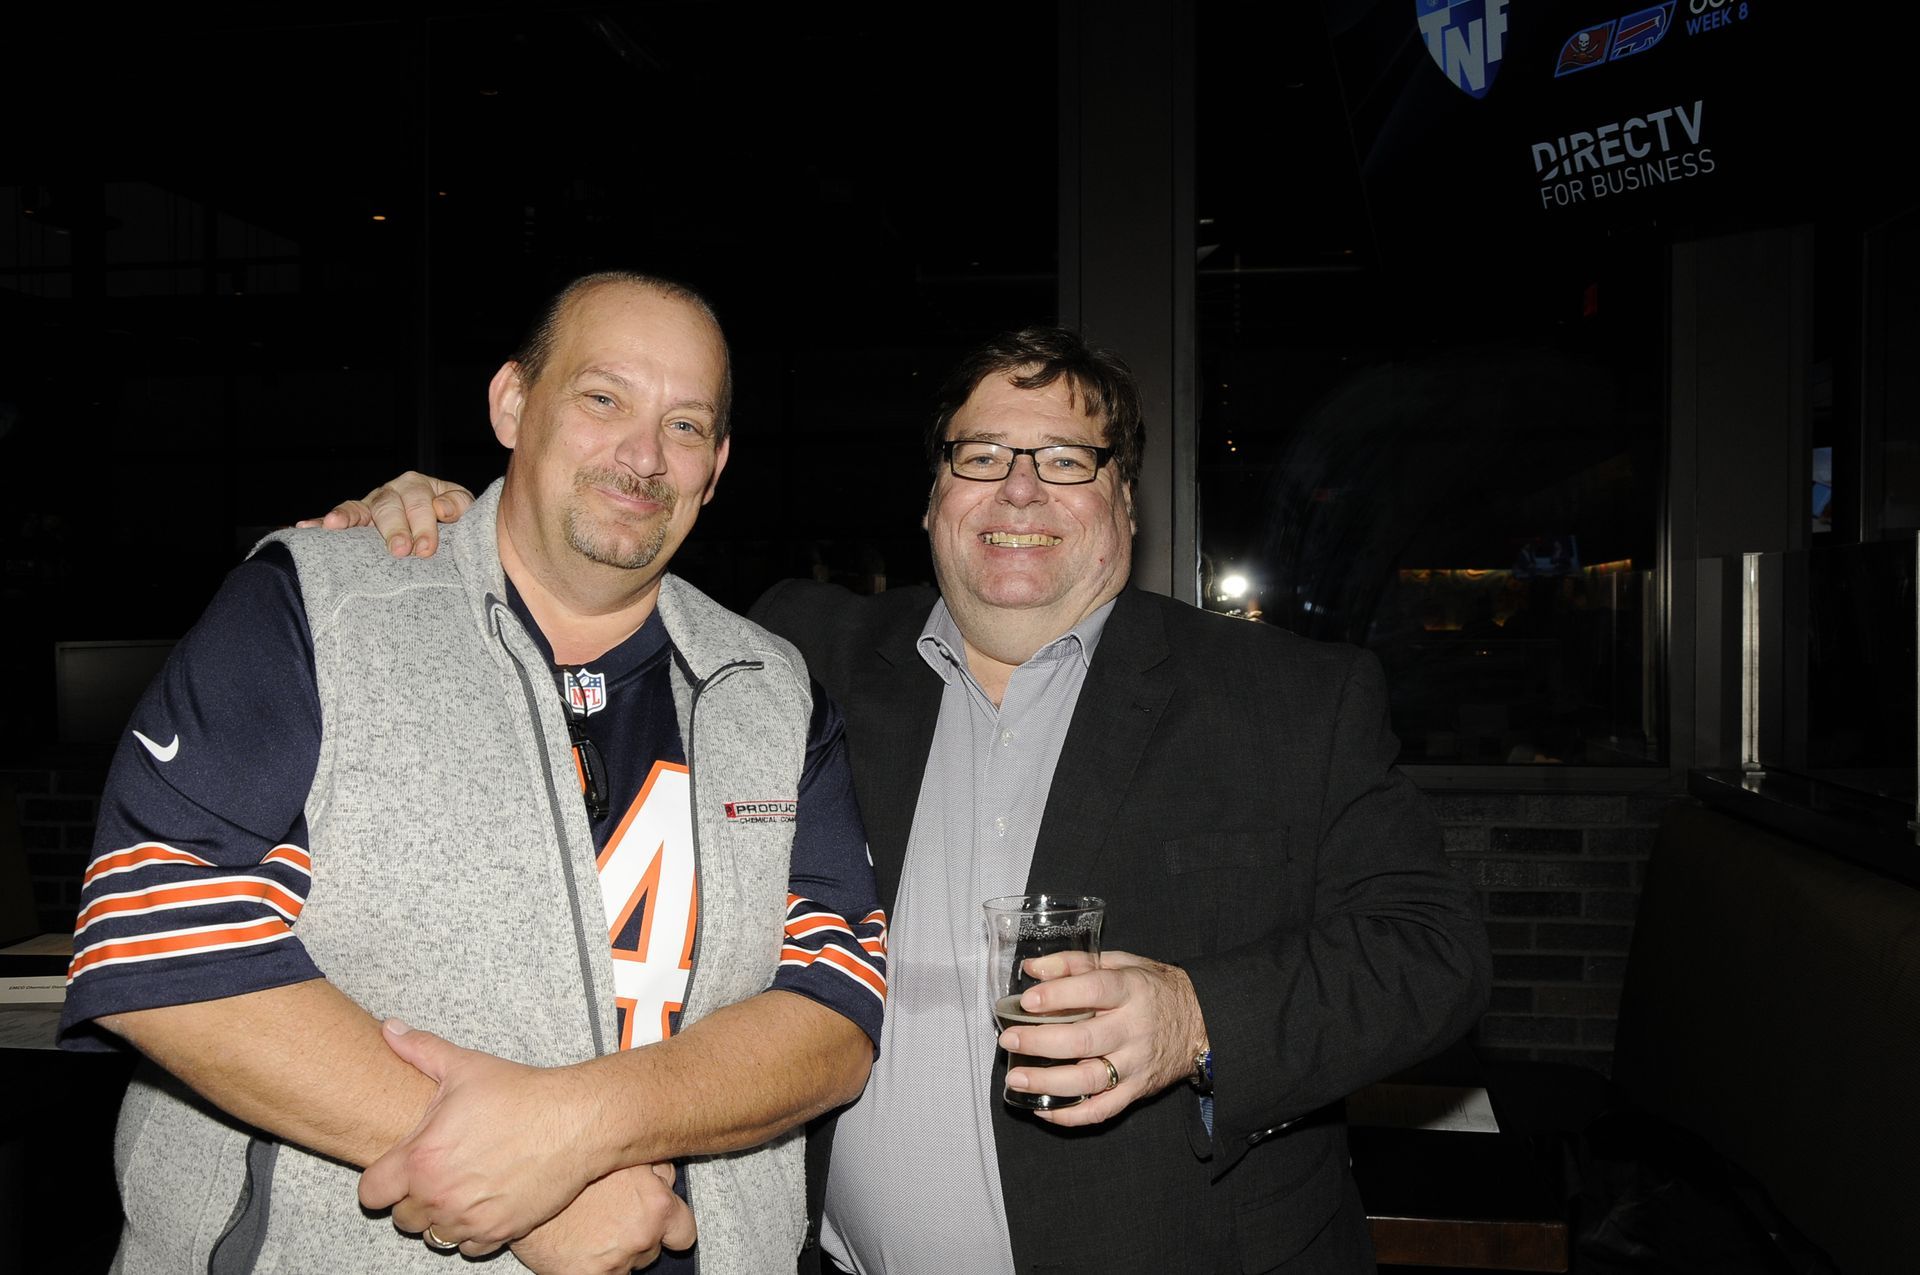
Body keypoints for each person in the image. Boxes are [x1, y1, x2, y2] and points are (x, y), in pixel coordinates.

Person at [327, 326, 1491, 1273]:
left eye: (1068, 458)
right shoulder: (794, 654)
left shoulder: (1287, 698)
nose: (1020, 488)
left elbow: (1433, 956)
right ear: (935, 498)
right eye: (981, 456)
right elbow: (587, 602)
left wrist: (1197, 1019)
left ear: (1125, 504)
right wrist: (461, 526)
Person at [59, 272, 886, 1275]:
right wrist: (533, 1194)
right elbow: (162, 939)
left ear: (715, 468)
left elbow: (834, 1012)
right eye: (603, 397)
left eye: (684, 425)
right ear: (510, 403)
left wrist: (581, 1131)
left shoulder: (772, 692)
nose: (642, 454)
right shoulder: (319, 609)